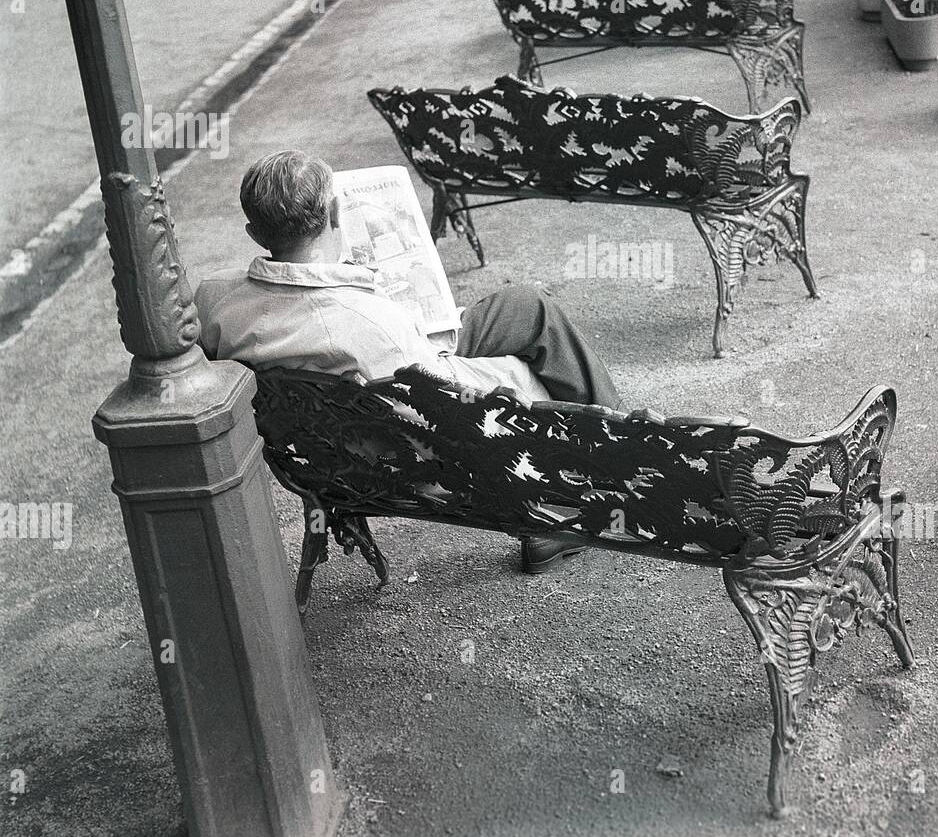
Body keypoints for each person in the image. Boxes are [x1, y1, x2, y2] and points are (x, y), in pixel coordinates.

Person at [196, 153, 622, 570]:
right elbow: (446, 406)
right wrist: (510, 372)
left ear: (255, 233)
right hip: (400, 418)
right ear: (336, 213)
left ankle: (611, 440)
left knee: (526, 306)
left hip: (343, 413)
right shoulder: (366, 323)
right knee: (534, 358)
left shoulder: (214, 300)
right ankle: (608, 461)